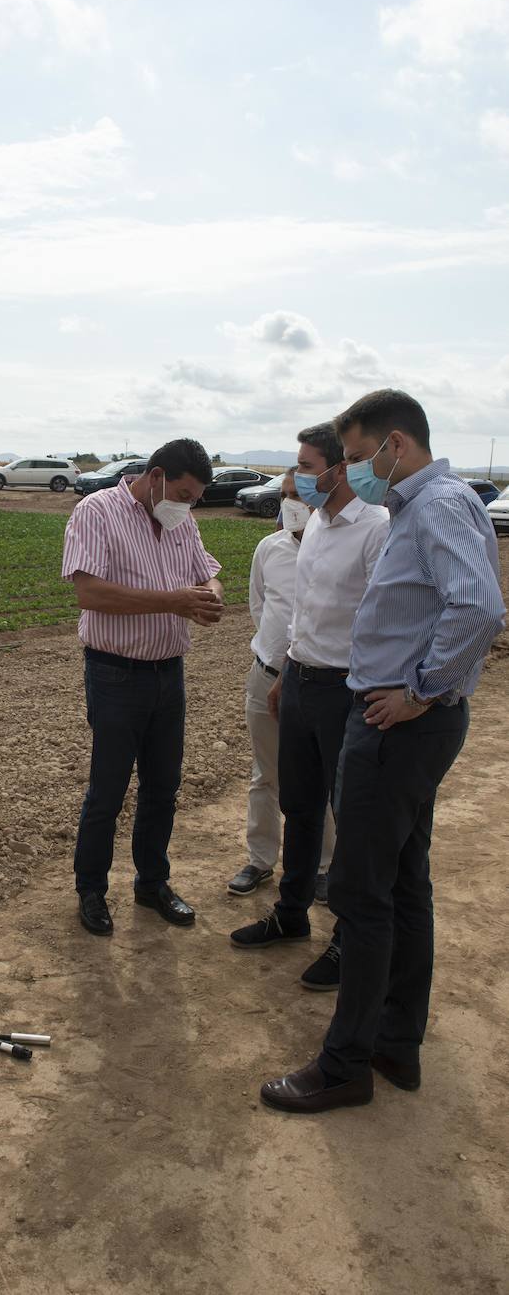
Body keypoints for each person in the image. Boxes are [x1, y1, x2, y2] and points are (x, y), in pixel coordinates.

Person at [261, 389, 505, 1113]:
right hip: (403, 720)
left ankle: (344, 1066)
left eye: (361, 457)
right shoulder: (424, 506)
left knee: (362, 896)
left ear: (396, 446)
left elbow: (480, 607)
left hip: (396, 724)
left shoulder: (431, 505)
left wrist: (421, 691)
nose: (355, 471)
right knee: (402, 884)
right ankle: (397, 1042)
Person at [230, 423, 389, 992]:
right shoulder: (317, 525)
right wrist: (288, 671)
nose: (296, 478)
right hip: (300, 680)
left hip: (349, 689)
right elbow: (305, 609)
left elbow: (381, 618)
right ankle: (291, 915)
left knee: (352, 818)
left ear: (339, 468)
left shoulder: (375, 528)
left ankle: (347, 939)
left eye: (306, 465)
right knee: (299, 806)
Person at [61, 438, 224, 936]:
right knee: (108, 791)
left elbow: (209, 573)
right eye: (183, 492)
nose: (188, 504)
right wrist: (171, 602)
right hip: (114, 673)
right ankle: (91, 889)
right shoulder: (97, 512)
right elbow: (89, 592)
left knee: (162, 789)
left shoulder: (181, 521)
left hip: (167, 674)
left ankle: (152, 883)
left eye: (195, 497)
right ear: (155, 477)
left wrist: (208, 597)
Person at [227, 470, 336, 897]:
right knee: (264, 775)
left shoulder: (334, 548)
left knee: (320, 778)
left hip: (315, 682)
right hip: (265, 676)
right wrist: (274, 658)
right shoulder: (268, 549)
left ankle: (325, 867)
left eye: (298, 496)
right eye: (285, 495)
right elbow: (259, 606)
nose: (290, 503)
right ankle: (260, 860)